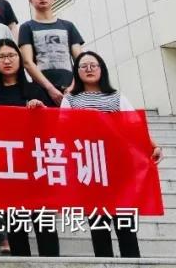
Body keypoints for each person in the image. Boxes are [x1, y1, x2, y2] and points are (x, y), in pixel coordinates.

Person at [62, 51, 161, 258]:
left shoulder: (117, 97)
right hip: (90, 169)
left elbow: (135, 126)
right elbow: (64, 130)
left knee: (126, 225)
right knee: (99, 226)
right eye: (83, 66)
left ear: (102, 69)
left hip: (119, 167)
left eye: (93, 65)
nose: (89, 69)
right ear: (77, 72)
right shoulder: (70, 100)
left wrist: (153, 145)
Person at [0, 39, 58, 258]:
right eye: (1, 56)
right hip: (6, 167)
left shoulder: (35, 90)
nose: (7, 61)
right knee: (16, 226)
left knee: (44, 223)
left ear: (20, 59)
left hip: (35, 164)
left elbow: (51, 127)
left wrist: (41, 110)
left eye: (11, 55)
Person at [20, 0, 84, 105]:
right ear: (30, 0)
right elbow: (27, 62)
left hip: (71, 90)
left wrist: (73, 86)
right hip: (41, 92)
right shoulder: (26, 27)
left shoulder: (68, 26)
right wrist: (50, 88)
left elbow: (81, 60)